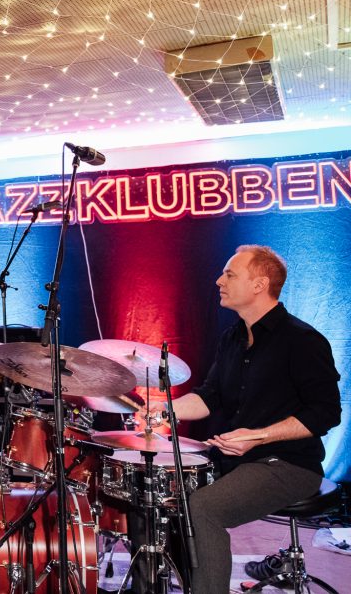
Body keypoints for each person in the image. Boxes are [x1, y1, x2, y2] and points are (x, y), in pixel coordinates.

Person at [135, 245, 341, 593]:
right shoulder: (232, 338)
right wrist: (165, 410)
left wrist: (259, 436)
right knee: (153, 495)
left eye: (230, 274)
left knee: (203, 509)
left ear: (259, 285)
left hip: (290, 465)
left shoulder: (302, 340)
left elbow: (326, 412)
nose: (219, 281)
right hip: (235, 461)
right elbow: (210, 395)